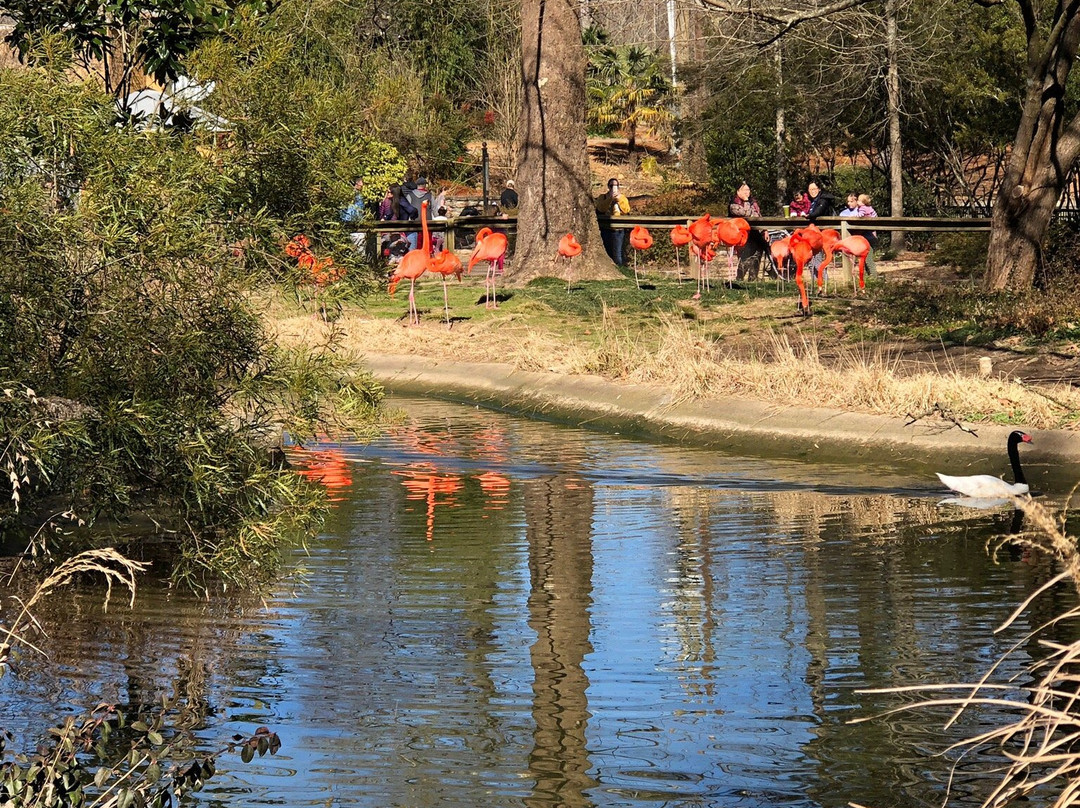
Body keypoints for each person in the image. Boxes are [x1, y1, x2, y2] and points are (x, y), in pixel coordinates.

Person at [729, 182, 768, 281]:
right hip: (742, 235)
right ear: (738, 192)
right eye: (744, 190)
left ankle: (753, 277)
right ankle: (740, 277)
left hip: (755, 232)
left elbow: (759, 216)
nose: (747, 192)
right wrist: (746, 201)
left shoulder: (753, 203)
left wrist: (765, 230)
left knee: (759, 250)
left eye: (748, 190)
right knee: (747, 254)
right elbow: (746, 214)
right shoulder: (734, 204)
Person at [595, 178, 630, 265]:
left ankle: (620, 269)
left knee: (618, 253)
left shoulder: (623, 198)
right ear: (608, 187)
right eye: (611, 186)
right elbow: (601, 208)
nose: (613, 188)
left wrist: (619, 199)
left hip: (618, 229)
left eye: (615, 186)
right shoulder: (602, 197)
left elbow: (626, 210)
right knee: (607, 251)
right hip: (605, 228)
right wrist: (610, 198)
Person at [856, 193, 879, 275]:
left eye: (858, 200)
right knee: (865, 257)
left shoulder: (862, 208)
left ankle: (873, 275)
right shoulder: (870, 208)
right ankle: (868, 274)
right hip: (872, 234)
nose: (857, 201)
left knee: (867, 258)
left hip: (867, 236)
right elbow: (875, 216)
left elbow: (860, 215)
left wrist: (855, 216)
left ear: (863, 202)